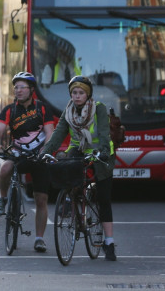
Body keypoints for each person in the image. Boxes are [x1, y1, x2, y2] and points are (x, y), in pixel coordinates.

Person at [39, 75, 117, 261]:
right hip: (79, 149)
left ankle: (109, 242)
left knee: (104, 198)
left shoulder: (98, 109)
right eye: (74, 92)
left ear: (88, 94)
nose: (77, 96)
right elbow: (58, 134)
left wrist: (104, 151)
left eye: (81, 92)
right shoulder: (69, 110)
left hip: (101, 153)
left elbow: (105, 134)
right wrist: (46, 151)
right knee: (65, 167)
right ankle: (71, 201)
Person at [0, 72, 55, 253]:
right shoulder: (9, 110)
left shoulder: (42, 108)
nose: (18, 90)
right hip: (18, 153)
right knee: (6, 167)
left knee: (41, 199)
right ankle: (3, 198)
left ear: (31, 90)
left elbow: (50, 132)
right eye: (15, 87)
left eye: (22, 87)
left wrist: (45, 151)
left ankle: (39, 239)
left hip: (39, 155)